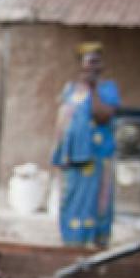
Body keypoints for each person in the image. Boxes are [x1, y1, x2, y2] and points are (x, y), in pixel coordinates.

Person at [51, 42, 119, 246]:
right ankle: (71, 241)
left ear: (101, 65)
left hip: (97, 156)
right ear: (80, 65)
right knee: (72, 198)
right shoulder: (70, 90)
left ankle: (95, 241)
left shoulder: (108, 89)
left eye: (95, 62)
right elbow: (62, 122)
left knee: (97, 199)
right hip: (74, 158)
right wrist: (59, 152)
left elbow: (103, 117)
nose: (91, 66)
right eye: (87, 62)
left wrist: (93, 89)